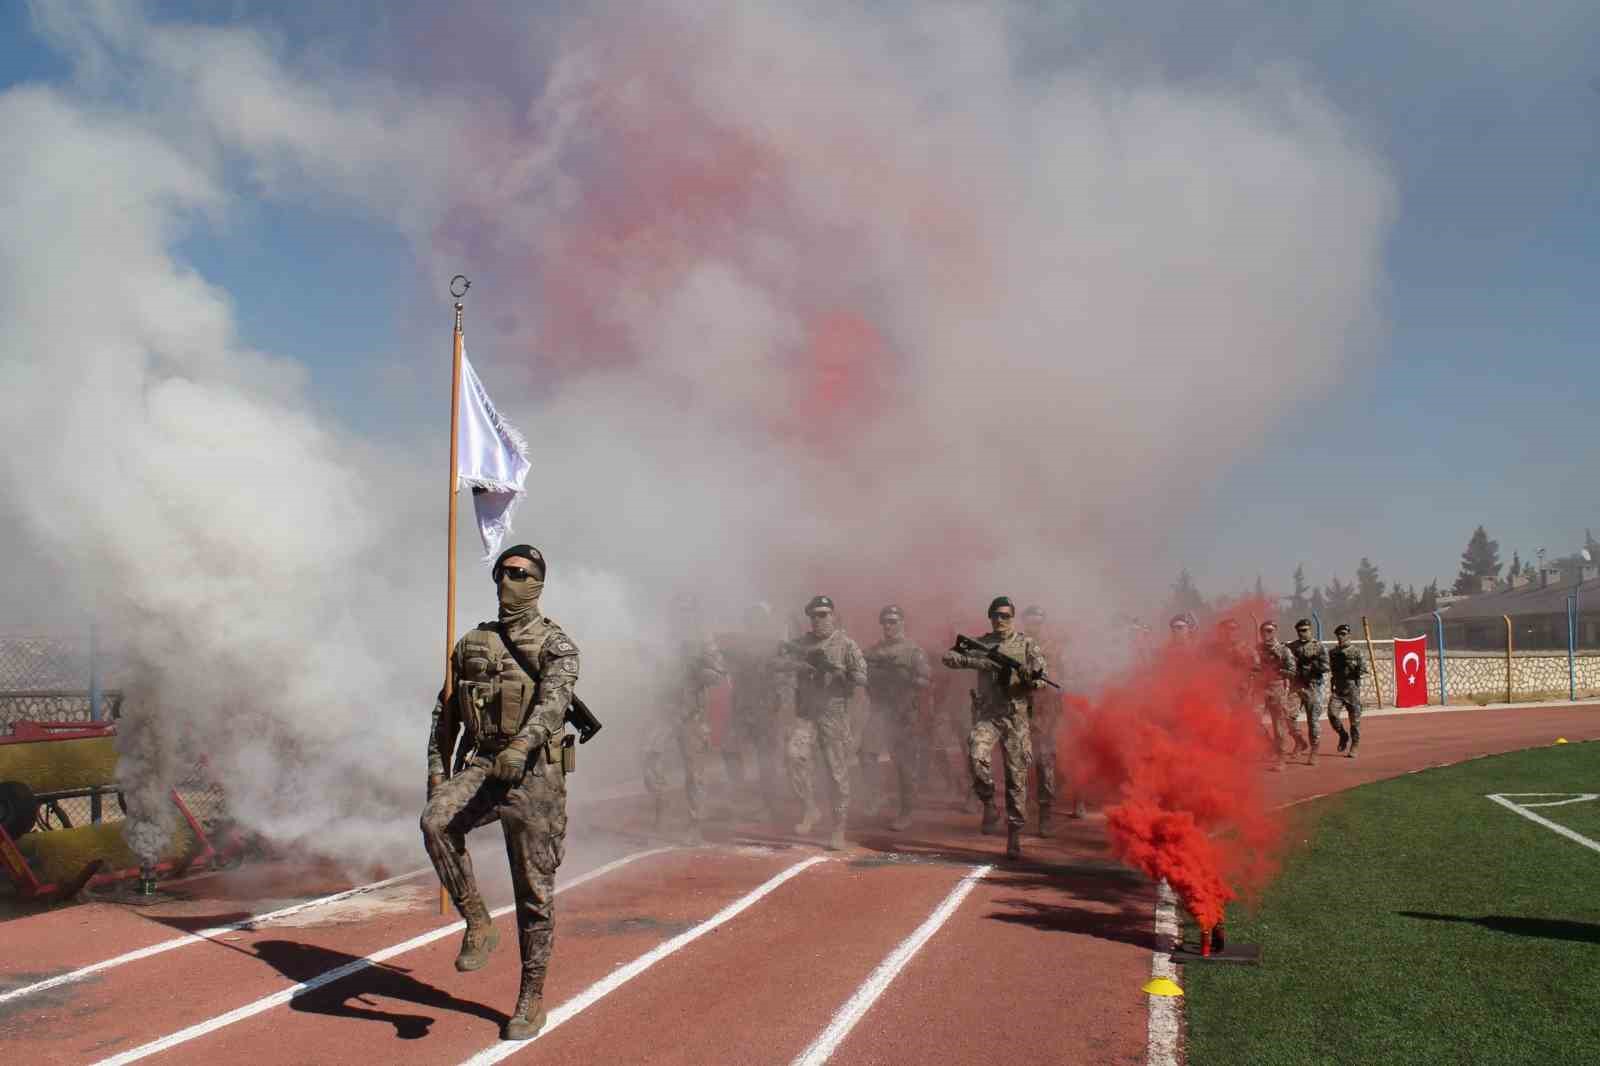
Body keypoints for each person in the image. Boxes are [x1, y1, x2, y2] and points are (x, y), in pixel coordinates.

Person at [422, 545, 576, 1041]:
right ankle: (478, 922)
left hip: (535, 776)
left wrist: (523, 745)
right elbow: (444, 716)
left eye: (519, 574)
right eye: (502, 572)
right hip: (485, 764)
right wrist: (436, 772)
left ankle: (531, 997)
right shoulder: (471, 642)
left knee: (534, 892)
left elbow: (554, 705)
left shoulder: (556, 645)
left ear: (537, 584)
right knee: (436, 821)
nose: (507, 581)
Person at [942, 596, 1047, 859]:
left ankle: (1014, 835)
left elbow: (1041, 679)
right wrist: (978, 662)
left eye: (1005, 616)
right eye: (996, 615)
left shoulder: (1026, 645)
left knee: (1017, 780)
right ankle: (989, 803)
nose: (1000, 620)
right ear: (990, 617)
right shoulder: (982, 643)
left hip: (1016, 719)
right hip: (988, 715)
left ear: (1013, 617)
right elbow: (949, 657)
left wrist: (1028, 680)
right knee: (975, 755)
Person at [781, 596, 868, 850]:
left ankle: (838, 828)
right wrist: (801, 663)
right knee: (794, 757)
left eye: (824, 614)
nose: (819, 620)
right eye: (814, 616)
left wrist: (837, 671)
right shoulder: (801, 644)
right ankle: (810, 808)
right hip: (806, 714)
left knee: (836, 772)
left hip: (834, 714)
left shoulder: (846, 644)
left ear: (833, 616)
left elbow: (861, 677)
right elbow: (777, 662)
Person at [643, 594, 728, 843]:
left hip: (692, 715)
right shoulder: (661, 641)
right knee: (651, 756)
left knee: (695, 773)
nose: (681, 617)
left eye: (687, 612)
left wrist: (699, 670)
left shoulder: (704, 642)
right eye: (678, 612)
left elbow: (719, 674)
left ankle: (695, 824)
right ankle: (662, 816)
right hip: (665, 712)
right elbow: (651, 673)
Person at [863, 604, 932, 831]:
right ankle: (875, 796)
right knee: (866, 753)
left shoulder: (913, 651)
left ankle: (906, 811)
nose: (888, 625)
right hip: (879, 710)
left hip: (903, 713)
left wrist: (904, 677)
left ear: (902, 622)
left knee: (904, 765)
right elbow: (861, 677)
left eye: (893, 621)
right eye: (885, 622)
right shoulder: (873, 651)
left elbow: (925, 680)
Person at [720, 602, 786, 822]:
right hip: (741, 708)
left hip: (765, 710)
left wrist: (780, 705)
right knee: (729, 748)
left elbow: (784, 677)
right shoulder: (739, 645)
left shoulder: (775, 645)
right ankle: (740, 794)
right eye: (750, 619)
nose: (754, 623)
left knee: (766, 760)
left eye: (758, 619)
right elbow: (722, 657)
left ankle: (771, 805)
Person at [1020, 605, 1074, 832]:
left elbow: (1062, 678)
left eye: (1038, 620)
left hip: (1045, 711)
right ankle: (1018, 810)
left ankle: (1045, 813)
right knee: (1018, 761)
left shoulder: (1053, 647)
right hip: (1020, 708)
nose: (1034, 624)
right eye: (1030, 620)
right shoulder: (1015, 644)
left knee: (1044, 760)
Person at [1254, 620, 1297, 770]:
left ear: (1275, 632)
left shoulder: (1284, 650)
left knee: (1279, 726)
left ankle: (1281, 758)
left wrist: (1278, 669)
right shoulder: (1257, 649)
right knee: (1252, 719)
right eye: (1264, 631)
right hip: (1260, 688)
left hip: (1277, 688)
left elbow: (1292, 671)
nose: (1266, 634)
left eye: (1270, 631)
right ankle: (1269, 745)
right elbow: (1251, 666)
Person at [1286, 618, 1329, 764]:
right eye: (1299, 631)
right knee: (1287, 716)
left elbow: (1326, 667)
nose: (1301, 633)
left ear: (1310, 630)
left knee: (1313, 721)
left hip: (1313, 686)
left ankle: (1314, 749)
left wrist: (1312, 664)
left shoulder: (1319, 647)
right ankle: (1299, 741)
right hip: (1296, 685)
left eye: (1304, 630)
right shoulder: (1292, 646)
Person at [1327, 624, 1367, 757]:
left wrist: (1350, 665)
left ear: (1349, 635)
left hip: (1352, 690)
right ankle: (1343, 735)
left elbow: (1363, 670)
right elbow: (1330, 669)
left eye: (1343, 634)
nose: (1341, 636)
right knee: (1332, 714)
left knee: (1355, 722)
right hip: (1338, 689)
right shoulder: (1333, 652)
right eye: (1339, 634)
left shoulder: (1356, 651)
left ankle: (1354, 745)